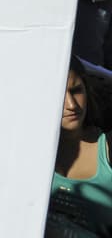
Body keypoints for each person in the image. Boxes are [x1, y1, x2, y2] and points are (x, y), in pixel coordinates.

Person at [49, 57, 112, 236]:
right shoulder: (21, 156)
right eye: (59, 95)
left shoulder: (107, 148)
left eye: (76, 91)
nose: (72, 105)